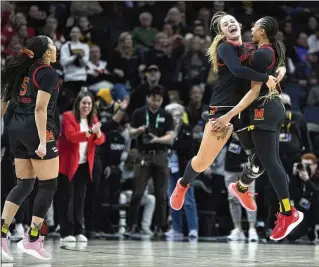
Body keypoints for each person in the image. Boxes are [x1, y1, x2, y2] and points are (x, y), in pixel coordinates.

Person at [170, 11, 280, 212]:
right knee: (203, 162)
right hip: (223, 109)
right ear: (222, 32)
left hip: (246, 109)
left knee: (259, 162)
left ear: (238, 24)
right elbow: (238, 71)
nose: (230, 24)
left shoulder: (251, 48)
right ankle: (183, 185)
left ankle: (242, 187)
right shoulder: (224, 47)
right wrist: (266, 79)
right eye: (225, 24)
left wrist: (279, 70)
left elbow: (267, 64)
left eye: (232, 20)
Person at [211, 16, 304, 241]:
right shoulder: (264, 47)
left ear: (262, 30)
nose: (251, 27)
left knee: (270, 162)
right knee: (260, 161)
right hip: (262, 108)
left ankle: (288, 212)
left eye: (255, 25)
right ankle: (242, 187)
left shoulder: (260, 54)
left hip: (263, 106)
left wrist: (229, 116)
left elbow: (254, 90)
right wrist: (279, 70)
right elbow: (279, 64)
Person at [1, 35, 59, 261]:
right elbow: (40, 109)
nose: (55, 47)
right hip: (37, 131)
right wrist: (43, 142)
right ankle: (33, 239)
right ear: (46, 53)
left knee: (24, 185)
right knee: (49, 184)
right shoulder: (48, 73)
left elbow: (3, 104)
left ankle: (2, 235)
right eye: (52, 45)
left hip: (15, 129)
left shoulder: (21, 71)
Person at [125, 86, 174, 237]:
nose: (156, 103)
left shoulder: (166, 115)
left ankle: (160, 227)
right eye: (153, 100)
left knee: (161, 194)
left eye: (159, 100)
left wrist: (157, 139)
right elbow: (130, 133)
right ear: (148, 98)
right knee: (138, 192)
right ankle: (131, 226)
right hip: (143, 155)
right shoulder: (139, 113)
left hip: (160, 154)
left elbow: (171, 136)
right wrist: (139, 130)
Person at [57, 90, 106, 242]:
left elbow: (101, 140)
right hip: (67, 164)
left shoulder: (93, 119)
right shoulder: (68, 116)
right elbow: (71, 136)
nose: (86, 106)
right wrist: (92, 132)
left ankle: (79, 230)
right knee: (67, 198)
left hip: (84, 164)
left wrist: (97, 134)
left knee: (80, 199)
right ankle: (66, 232)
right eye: (84, 102)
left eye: (89, 103)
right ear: (78, 104)